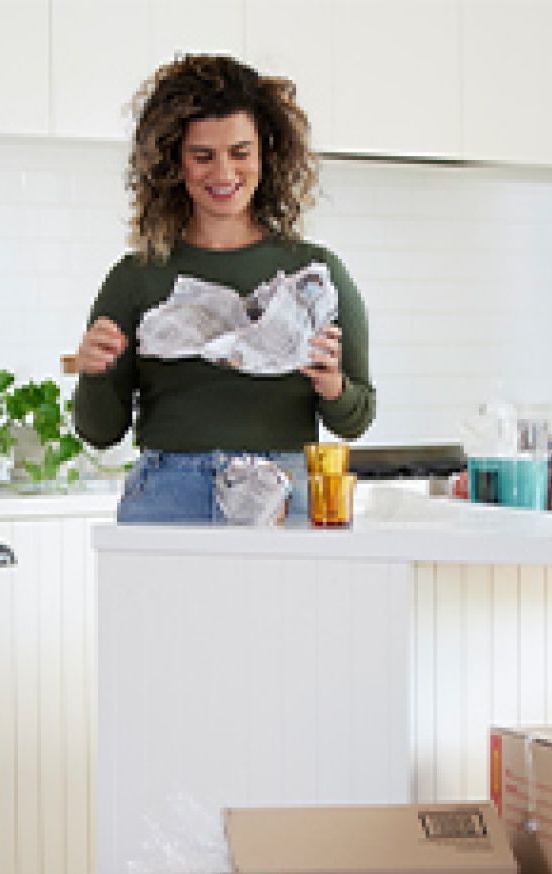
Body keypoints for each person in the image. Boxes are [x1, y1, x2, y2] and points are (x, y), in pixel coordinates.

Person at [73, 53, 377, 524]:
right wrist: (94, 372)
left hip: (284, 494)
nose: (223, 173)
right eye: (203, 156)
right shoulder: (137, 276)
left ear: (266, 156)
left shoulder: (315, 272)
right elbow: (100, 432)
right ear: (175, 162)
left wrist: (333, 387)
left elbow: (356, 419)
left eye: (240, 153)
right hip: (169, 496)